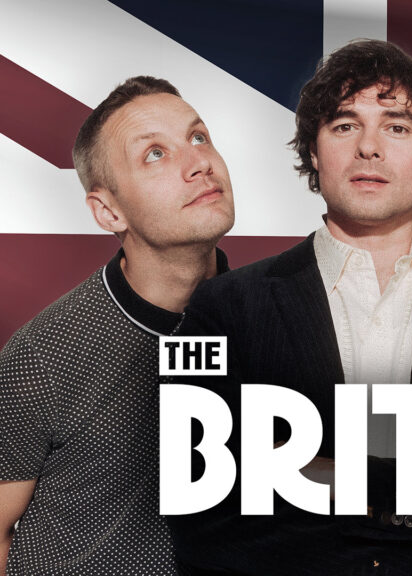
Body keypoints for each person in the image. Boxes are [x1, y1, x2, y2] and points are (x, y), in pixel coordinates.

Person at [167, 39, 412, 576]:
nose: (369, 148)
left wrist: (311, 476)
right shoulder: (217, 308)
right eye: (344, 125)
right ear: (314, 151)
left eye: (397, 126)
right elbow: (194, 503)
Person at [0, 76, 234, 575]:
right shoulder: (45, 354)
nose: (199, 163)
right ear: (108, 211)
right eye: (154, 153)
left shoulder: (274, 320)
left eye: (199, 137)